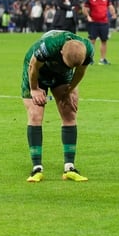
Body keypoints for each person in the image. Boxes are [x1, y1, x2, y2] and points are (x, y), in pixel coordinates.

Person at [22, 30, 94, 183]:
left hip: (62, 75)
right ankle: (37, 168)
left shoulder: (87, 49)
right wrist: (34, 89)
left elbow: (80, 72)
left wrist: (69, 90)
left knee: (69, 112)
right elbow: (33, 67)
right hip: (37, 72)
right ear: (61, 52)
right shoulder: (49, 46)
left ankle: (69, 167)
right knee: (36, 114)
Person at [82, 0, 115, 65]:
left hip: (104, 23)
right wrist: (88, 16)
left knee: (104, 41)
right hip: (93, 23)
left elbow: (110, 7)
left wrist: (113, 13)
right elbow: (84, 9)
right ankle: (90, 59)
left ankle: (102, 59)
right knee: (91, 41)